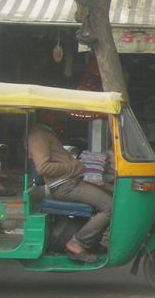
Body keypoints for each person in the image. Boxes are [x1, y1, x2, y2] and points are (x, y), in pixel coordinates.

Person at [27, 109, 113, 263]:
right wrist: (73, 167)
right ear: (43, 113)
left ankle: (96, 241)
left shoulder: (46, 132)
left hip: (70, 182)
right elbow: (43, 167)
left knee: (112, 196)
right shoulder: (38, 135)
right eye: (52, 112)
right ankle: (77, 243)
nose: (56, 115)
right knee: (109, 206)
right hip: (65, 185)